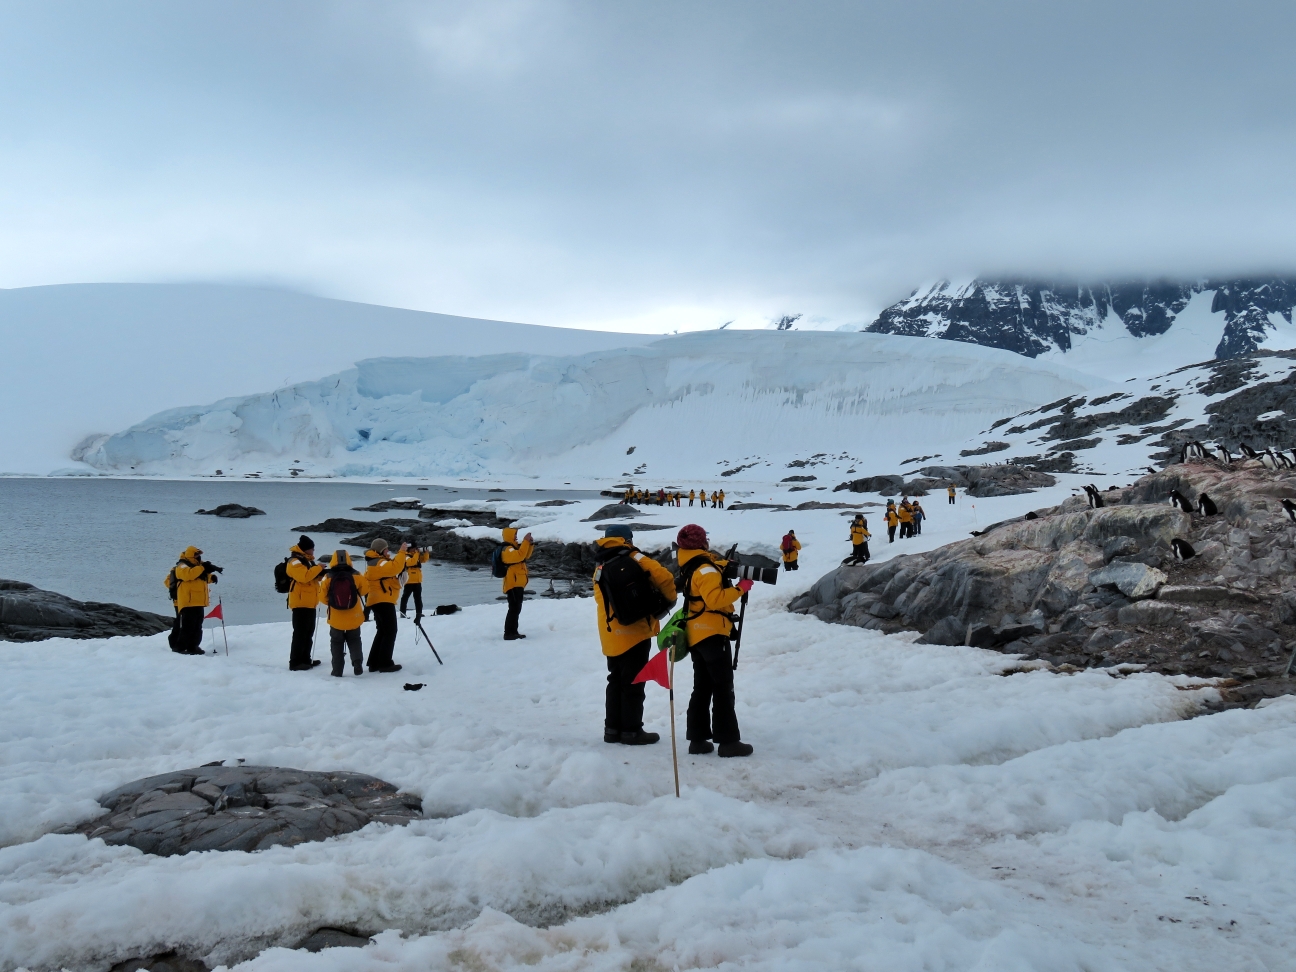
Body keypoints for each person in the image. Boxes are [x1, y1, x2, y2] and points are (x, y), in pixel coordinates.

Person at [593, 524, 677, 745]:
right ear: (627, 539)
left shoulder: (600, 563)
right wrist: (668, 601)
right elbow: (665, 577)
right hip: (636, 631)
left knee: (615, 680)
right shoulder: (634, 557)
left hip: (611, 633)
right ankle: (631, 731)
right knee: (634, 681)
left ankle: (612, 730)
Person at [676, 524, 754, 758]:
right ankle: (729, 742)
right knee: (722, 687)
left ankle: (697, 740)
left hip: (695, 633)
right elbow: (715, 599)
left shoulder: (689, 564)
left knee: (702, 686)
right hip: (711, 633)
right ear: (702, 542)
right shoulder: (706, 569)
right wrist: (741, 587)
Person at [319, 550, 371, 677]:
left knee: (336, 643)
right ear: (348, 559)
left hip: (336, 618)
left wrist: (332, 603)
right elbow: (365, 590)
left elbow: (322, 597)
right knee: (354, 640)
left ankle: (337, 670)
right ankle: (357, 662)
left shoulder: (328, 576)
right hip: (354, 615)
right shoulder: (357, 575)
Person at [363, 537, 409, 672]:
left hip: (378, 600)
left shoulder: (375, 562)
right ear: (381, 550)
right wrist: (402, 552)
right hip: (382, 601)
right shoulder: (379, 563)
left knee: (383, 631)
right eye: (386, 549)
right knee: (390, 631)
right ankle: (384, 663)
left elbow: (390, 574)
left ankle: (374, 663)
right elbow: (395, 567)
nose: (388, 550)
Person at [165, 545, 218, 655]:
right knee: (187, 626)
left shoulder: (197, 567)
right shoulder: (182, 566)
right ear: (190, 555)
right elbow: (188, 575)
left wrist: (211, 578)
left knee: (197, 625)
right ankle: (179, 647)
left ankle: (193, 646)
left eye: (199, 555)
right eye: (196, 554)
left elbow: (200, 578)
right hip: (187, 602)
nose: (198, 557)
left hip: (198, 601)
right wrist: (203, 568)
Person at [286, 535, 324, 670]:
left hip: (310, 602)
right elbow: (303, 577)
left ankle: (306, 660)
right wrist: (319, 568)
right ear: (305, 549)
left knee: (308, 633)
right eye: (312, 549)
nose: (313, 551)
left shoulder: (307, 561)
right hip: (300, 603)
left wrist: (321, 574)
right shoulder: (295, 561)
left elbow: (311, 577)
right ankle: (295, 662)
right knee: (300, 634)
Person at [501, 526, 534, 640]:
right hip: (512, 584)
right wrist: (525, 541)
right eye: (514, 535)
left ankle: (513, 632)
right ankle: (509, 633)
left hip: (517, 584)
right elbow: (519, 555)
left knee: (516, 608)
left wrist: (529, 544)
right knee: (514, 608)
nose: (516, 537)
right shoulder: (508, 550)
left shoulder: (513, 548)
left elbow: (525, 556)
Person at [401, 544, 432, 618]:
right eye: (414, 548)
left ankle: (419, 613)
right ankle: (403, 613)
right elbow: (411, 562)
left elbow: (424, 560)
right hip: (409, 581)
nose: (415, 549)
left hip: (417, 581)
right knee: (405, 598)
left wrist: (426, 553)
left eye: (416, 548)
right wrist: (417, 553)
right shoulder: (406, 556)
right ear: (410, 549)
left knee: (418, 598)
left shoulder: (415, 555)